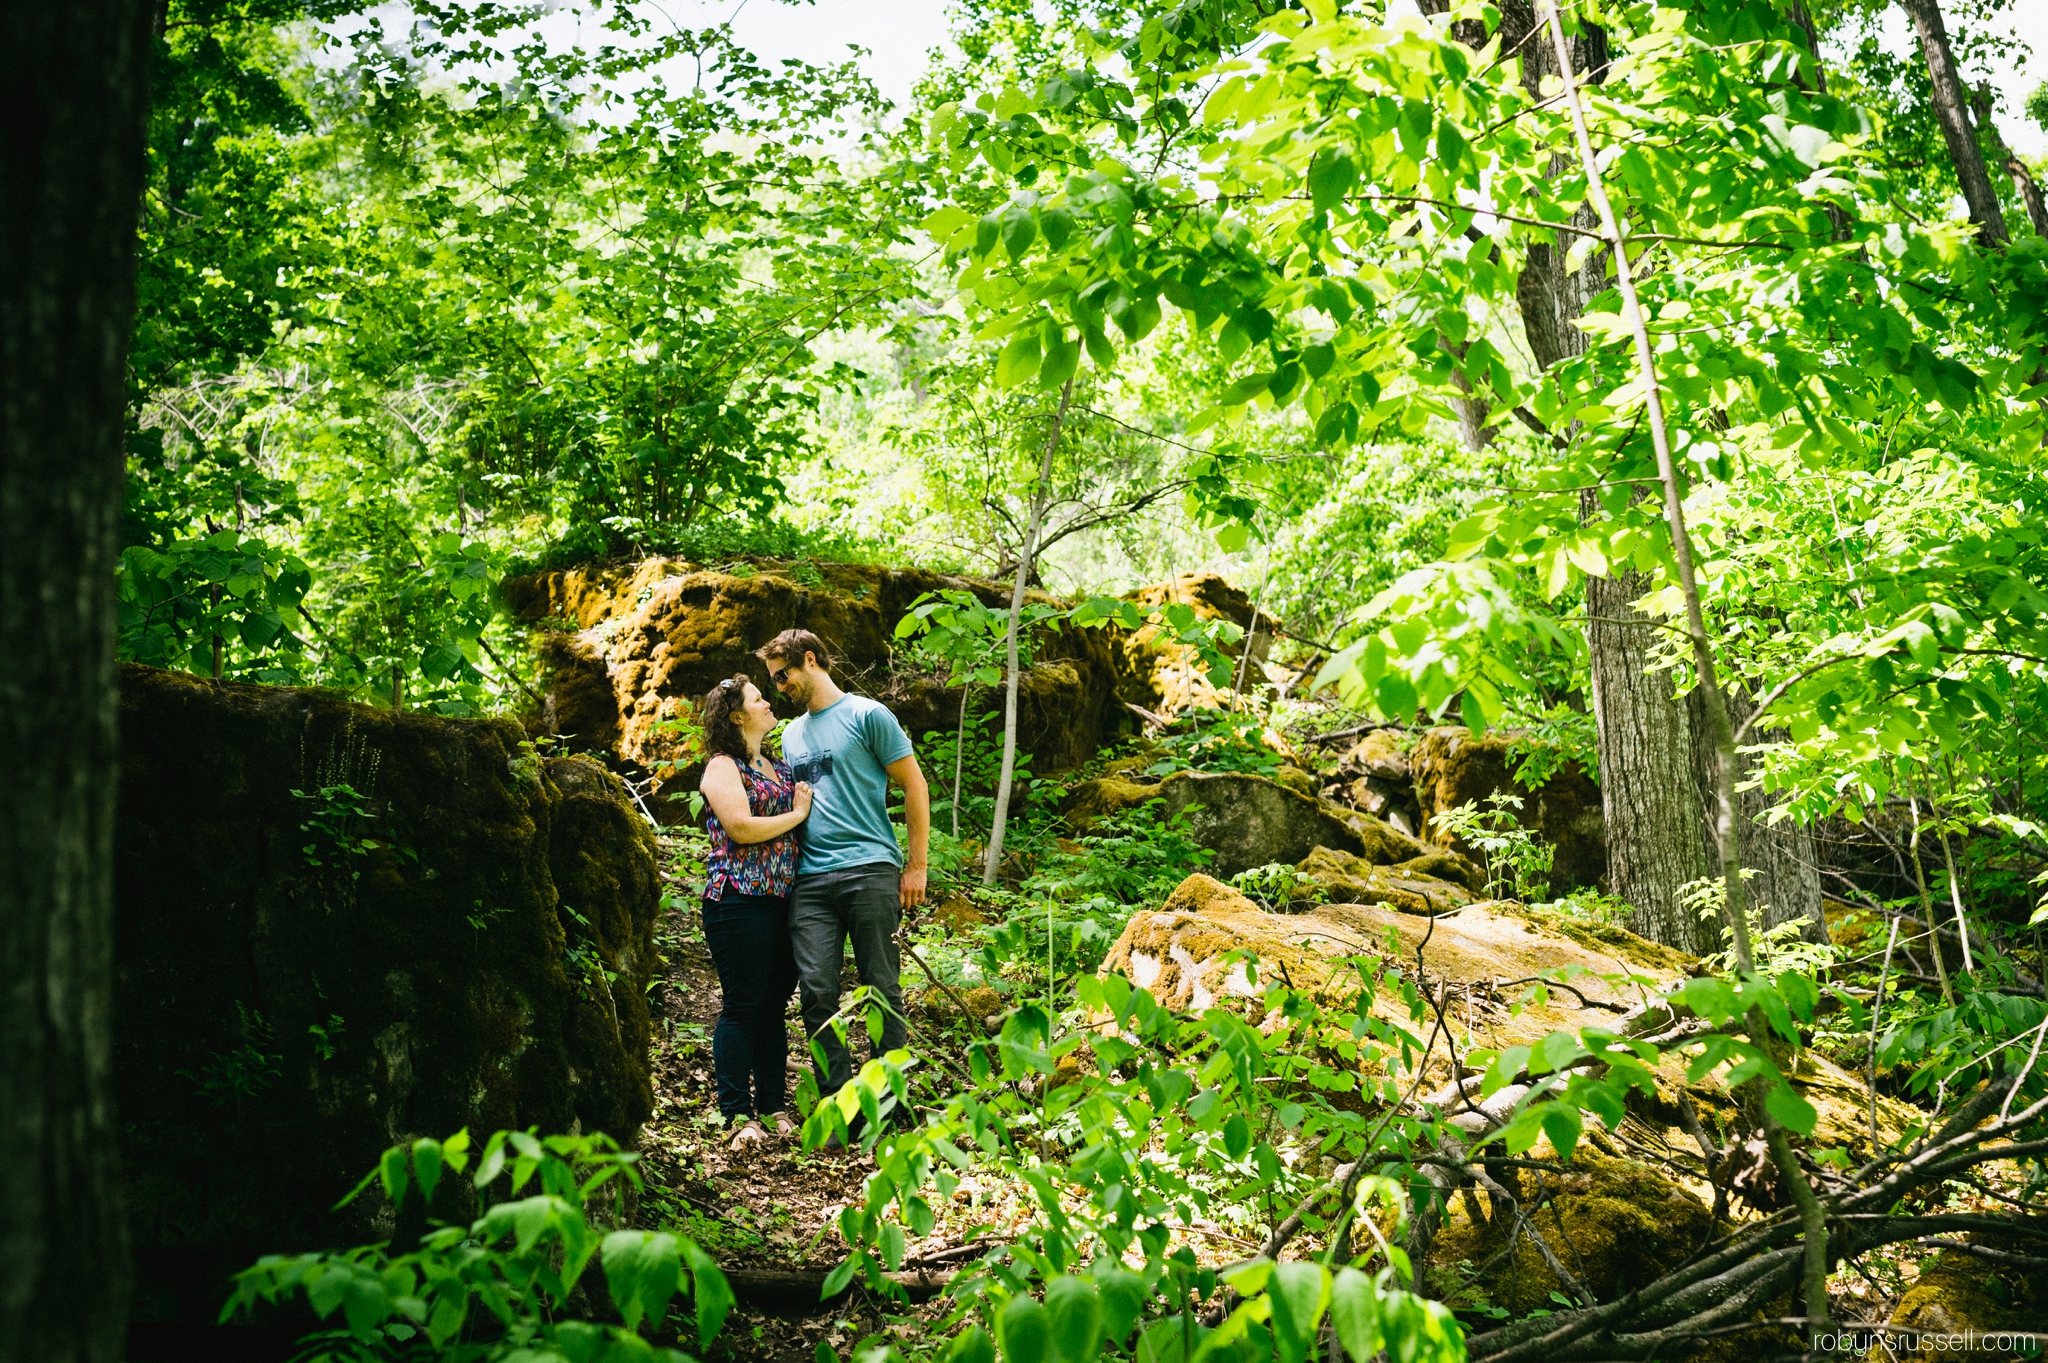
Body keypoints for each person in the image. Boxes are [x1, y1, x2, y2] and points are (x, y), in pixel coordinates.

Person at [758, 628, 929, 1114]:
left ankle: (889, 1107)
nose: (779, 687)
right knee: (816, 993)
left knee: (882, 987)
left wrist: (915, 865)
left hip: (870, 870)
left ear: (809, 659)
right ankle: (840, 1106)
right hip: (809, 882)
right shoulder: (790, 735)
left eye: (783, 675)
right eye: (773, 680)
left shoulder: (867, 715)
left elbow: (915, 787)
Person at [697, 674, 811, 1148]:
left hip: (782, 900)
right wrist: (798, 815)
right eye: (758, 699)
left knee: (771, 1008)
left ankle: (773, 1106)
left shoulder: (779, 768)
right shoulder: (723, 766)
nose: (769, 703)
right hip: (737, 900)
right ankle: (736, 1113)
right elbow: (741, 828)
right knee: (744, 1005)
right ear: (737, 715)